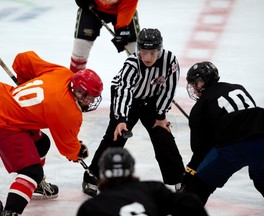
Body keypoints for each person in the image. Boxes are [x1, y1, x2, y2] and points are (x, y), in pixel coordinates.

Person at [0, 51, 103, 216]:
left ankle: (35, 184)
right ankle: (10, 212)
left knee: (42, 143)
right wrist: (78, 151)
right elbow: (67, 147)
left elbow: (24, 59)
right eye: (87, 96)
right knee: (32, 171)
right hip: (1, 122)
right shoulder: (68, 111)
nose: (90, 101)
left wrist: (24, 82)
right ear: (78, 91)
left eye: (94, 97)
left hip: (4, 104)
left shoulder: (64, 74)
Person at [82, 28, 185, 197]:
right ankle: (92, 175)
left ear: (159, 50)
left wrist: (160, 116)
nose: (148, 58)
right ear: (138, 49)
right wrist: (121, 119)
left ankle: (180, 178)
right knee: (116, 135)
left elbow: (169, 89)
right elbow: (124, 91)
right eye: (144, 52)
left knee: (163, 134)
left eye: (153, 52)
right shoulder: (131, 63)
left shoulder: (170, 61)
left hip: (151, 98)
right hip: (127, 98)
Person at [180, 61, 264, 205]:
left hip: (235, 146)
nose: (193, 89)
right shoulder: (238, 87)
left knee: (198, 187)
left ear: (201, 82)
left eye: (194, 84)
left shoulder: (201, 107)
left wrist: (189, 175)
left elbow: (201, 150)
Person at [77, 147, 209, 216]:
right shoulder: (152, 189)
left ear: (103, 172)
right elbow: (191, 202)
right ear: (131, 168)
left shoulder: (91, 207)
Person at [70, 0, 140, 72]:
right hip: (93, 6)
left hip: (123, 8)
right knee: (81, 44)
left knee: (134, 48)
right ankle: (75, 78)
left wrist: (122, 27)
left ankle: (143, 77)